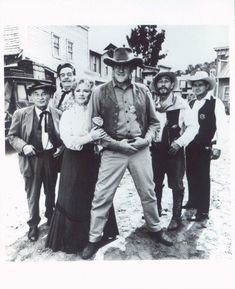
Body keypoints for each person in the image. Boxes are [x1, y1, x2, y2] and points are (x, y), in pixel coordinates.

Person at [81, 47, 174, 260]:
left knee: (148, 192)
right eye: (117, 66)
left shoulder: (143, 91)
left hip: (140, 150)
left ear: (132, 68)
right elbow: (93, 130)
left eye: (125, 66)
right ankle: (94, 238)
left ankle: (155, 228)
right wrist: (116, 144)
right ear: (112, 68)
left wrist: (146, 140)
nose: (121, 70)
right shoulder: (99, 92)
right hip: (113, 151)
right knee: (102, 196)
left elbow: (154, 123)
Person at [46, 79, 119, 254]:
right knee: (72, 195)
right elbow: (69, 141)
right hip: (73, 158)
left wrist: (98, 138)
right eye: (78, 90)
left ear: (90, 94)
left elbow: (104, 135)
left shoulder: (96, 114)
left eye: (86, 91)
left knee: (94, 194)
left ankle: (95, 236)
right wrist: (90, 137)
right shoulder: (67, 115)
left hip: (91, 159)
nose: (81, 94)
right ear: (73, 93)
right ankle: (73, 241)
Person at [8, 82, 63, 242]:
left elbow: (65, 135)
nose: (41, 97)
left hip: (51, 158)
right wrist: (24, 146)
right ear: (31, 97)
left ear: (49, 96)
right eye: (36, 94)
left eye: (44, 94)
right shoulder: (21, 114)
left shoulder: (57, 113)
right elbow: (12, 136)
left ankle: (50, 216)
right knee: (33, 193)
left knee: (50, 189)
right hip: (31, 159)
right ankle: (33, 224)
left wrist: (61, 148)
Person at [150, 72, 198, 230]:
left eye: (166, 82)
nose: (163, 85)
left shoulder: (182, 104)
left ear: (172, 85)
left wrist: (179, 143)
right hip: (156, 151)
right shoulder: (152, 103)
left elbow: (193, 127)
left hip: (174, 152)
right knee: (155, 183)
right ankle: (155, 212)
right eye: (160, 82)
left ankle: (176, 217)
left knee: (176, 185)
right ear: (156, 85)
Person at [184, 71, 226, 221]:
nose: (196, 88)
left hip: (205, 146)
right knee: (190, 174)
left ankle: (203, 211)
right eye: (194, 85)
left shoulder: (215, 102)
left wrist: (218, 146)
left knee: (203, 177)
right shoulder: (190, 103)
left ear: (207, 86)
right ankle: (193, 201)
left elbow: (222, 126)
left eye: (200, 84)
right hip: (190, 146)